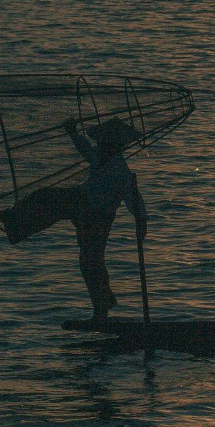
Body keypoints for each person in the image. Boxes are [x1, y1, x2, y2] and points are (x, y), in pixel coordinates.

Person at [61, 116, 148, 328]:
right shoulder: (100, 158)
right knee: (88, 261)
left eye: (102, 142)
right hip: (85, 214)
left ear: (112, 145)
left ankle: (102, 308)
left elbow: (135, 201)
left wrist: (141, 223)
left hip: (99, 220)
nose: (98, 145)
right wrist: (73, 134)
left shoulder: (120, 170)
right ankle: (103, 305)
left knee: (91, 261)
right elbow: (85, 149)